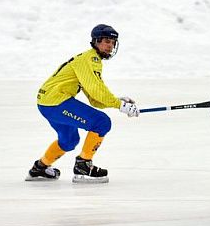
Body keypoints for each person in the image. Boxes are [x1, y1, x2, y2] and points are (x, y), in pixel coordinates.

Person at [26, 24, 140, 183]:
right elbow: (96, 90)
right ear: (96, 40)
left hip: (46, 103)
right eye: (107, 41)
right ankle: (83, 166)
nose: (110, 45)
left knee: (69, 140)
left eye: (113, 42)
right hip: (56, 102)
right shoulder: (91, 59)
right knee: (102, 122)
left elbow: (95, 98)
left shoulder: (87, 59)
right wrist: (119, 105)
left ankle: (39, 168)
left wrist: (119, 102)